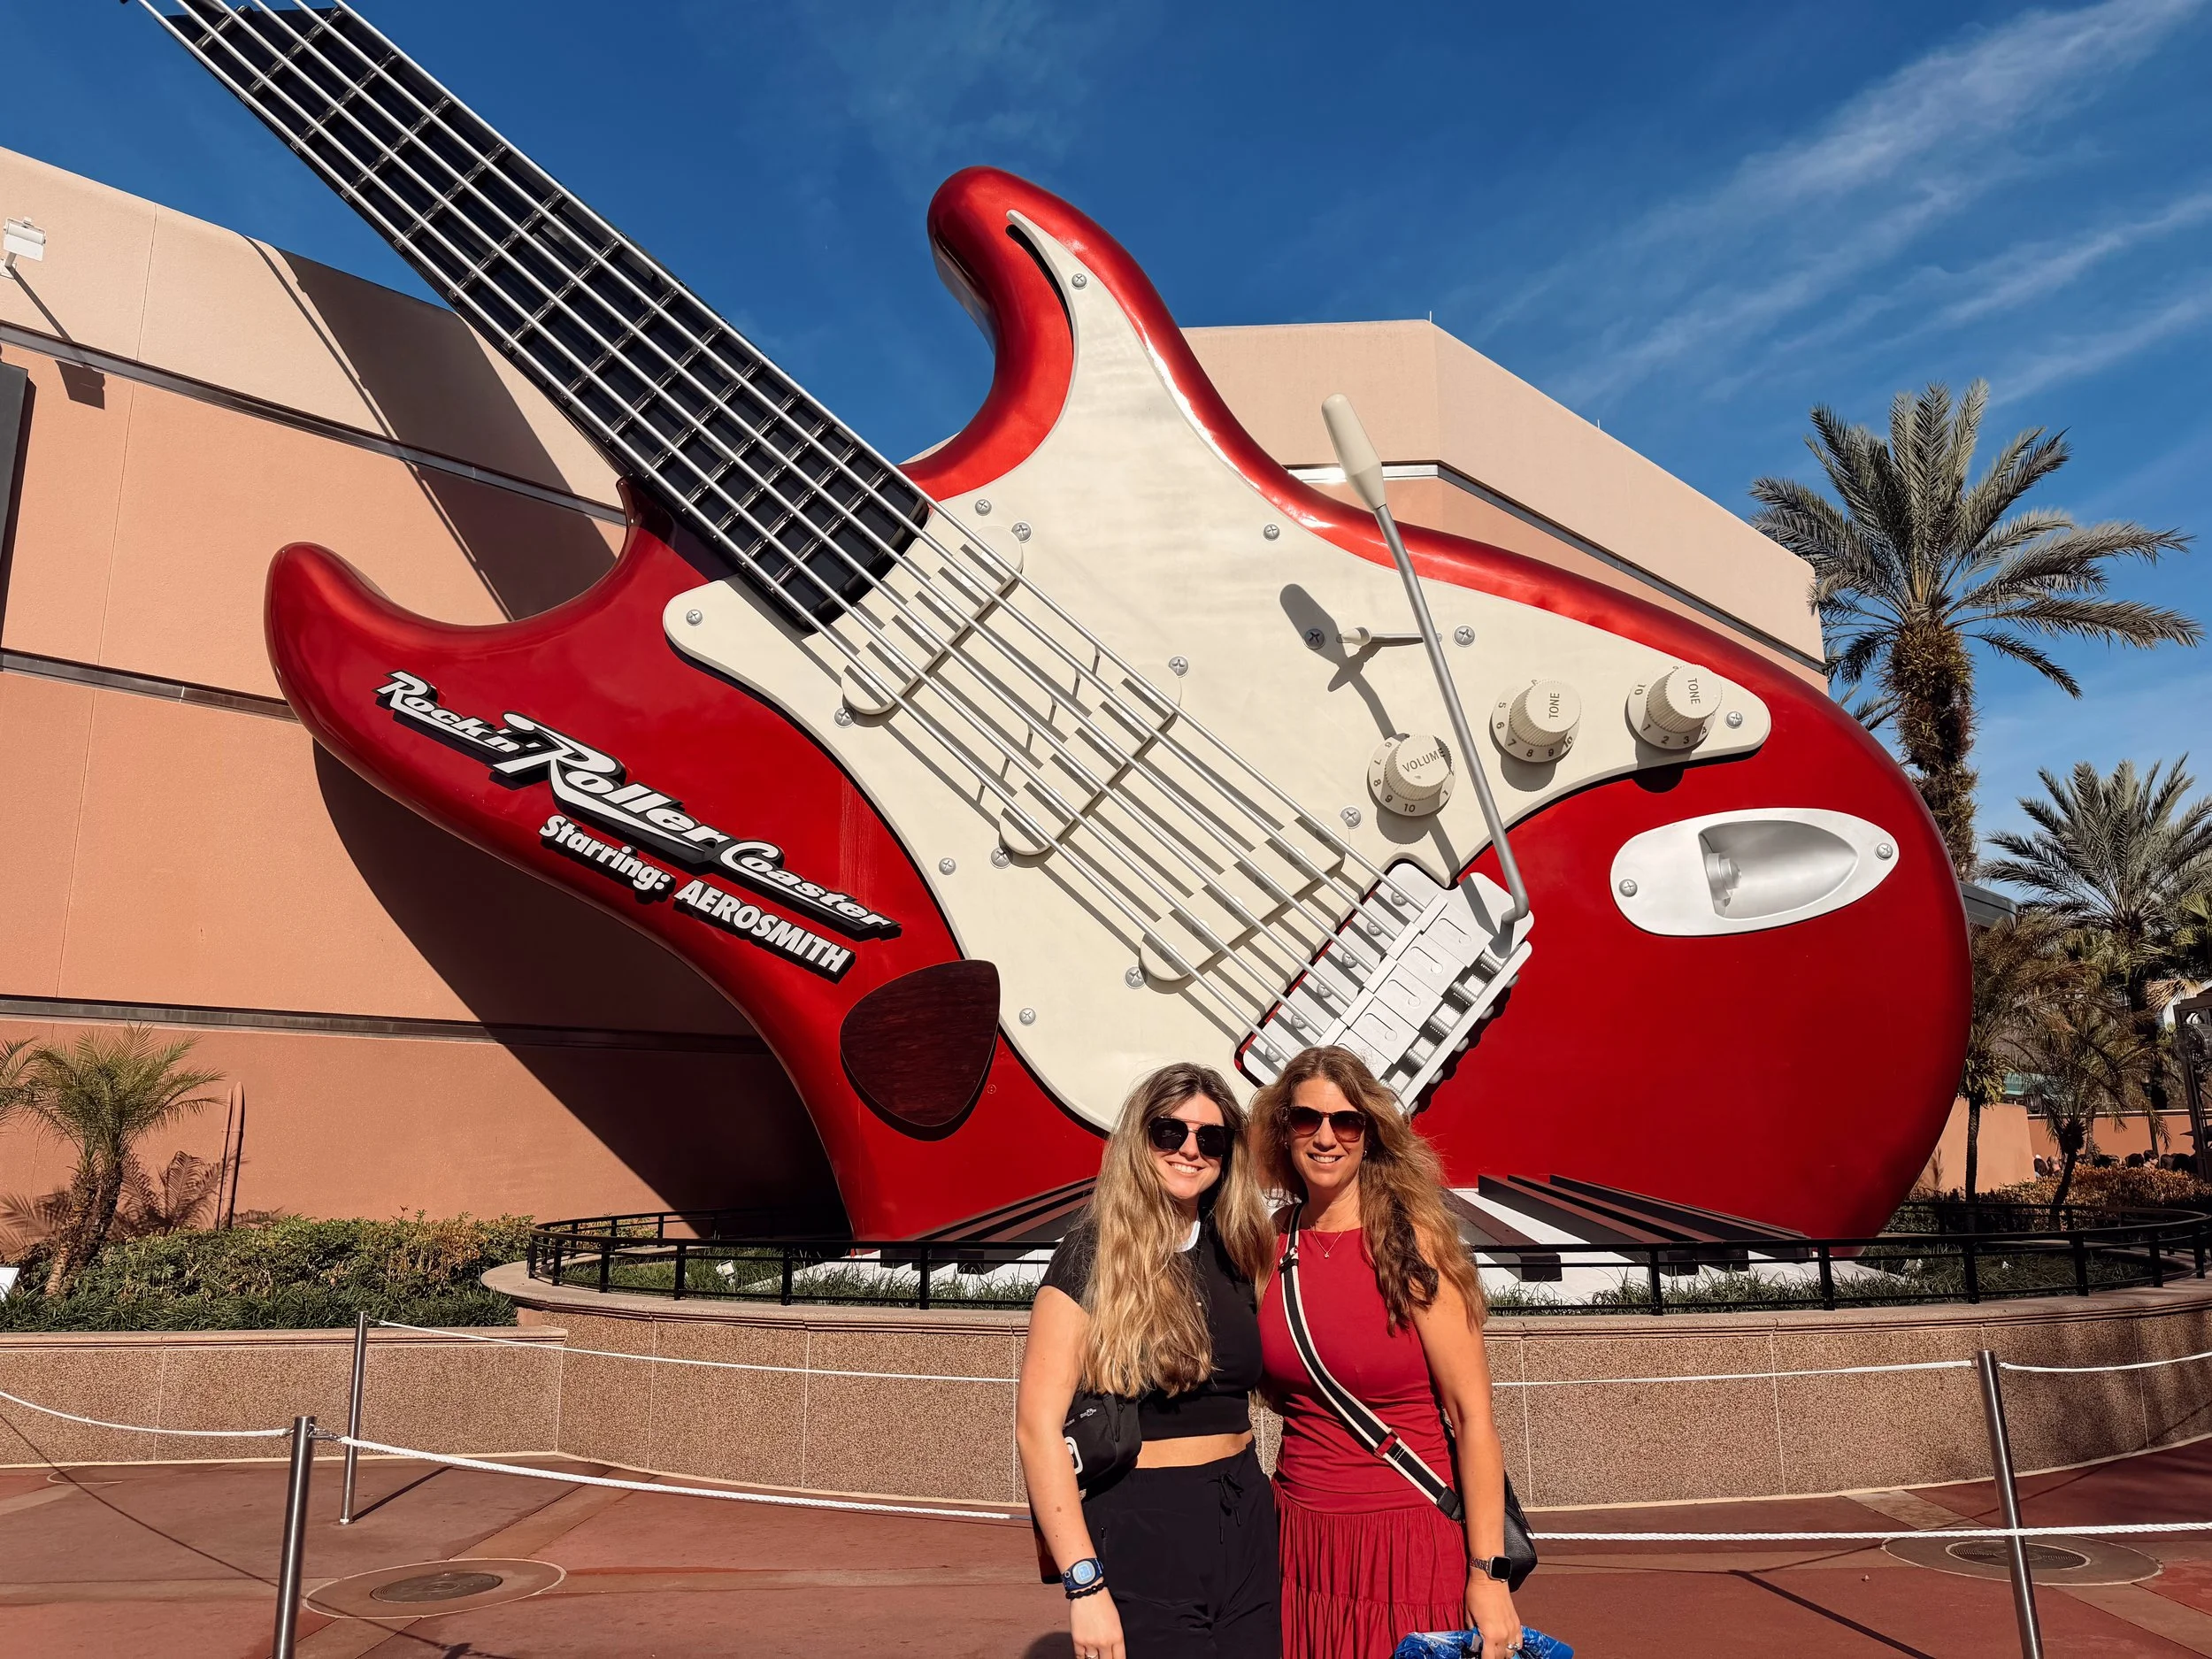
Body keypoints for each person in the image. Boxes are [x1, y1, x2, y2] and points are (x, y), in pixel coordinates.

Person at [1254, 1045, 1523, 1659]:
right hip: (1298, 1543)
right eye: (1306, 1119)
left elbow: (1472, 1416)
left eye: (1345, 1121)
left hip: (1404, 1542)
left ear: (1369, 1135)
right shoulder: (1267, 1246)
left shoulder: (1412, 1241)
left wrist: (1489, 1572)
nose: (1326, 1137)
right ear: (1283, 1131)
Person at [1017, 1063, 1279, 1659]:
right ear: (1140, 1138)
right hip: (1145, 1522)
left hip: (1245, 1516)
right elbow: (1037, 1429)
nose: (1191, 1149)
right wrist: (1083, 1583)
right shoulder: (1092, 1251)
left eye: (1210, 1138)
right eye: (1170, 1132)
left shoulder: (1236, 1246)